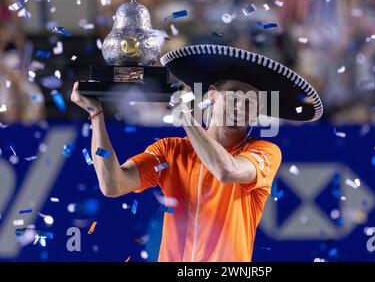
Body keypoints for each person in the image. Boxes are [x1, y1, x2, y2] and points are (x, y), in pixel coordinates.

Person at [71, 79, 282, 261]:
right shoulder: (170, 149)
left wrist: (186, 117)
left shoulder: (265, 152)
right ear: (212, 95)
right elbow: (113, 185)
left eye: (248, 103)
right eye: (233, 98)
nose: (238, 108)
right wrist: (96, 115)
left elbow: (226, 171)